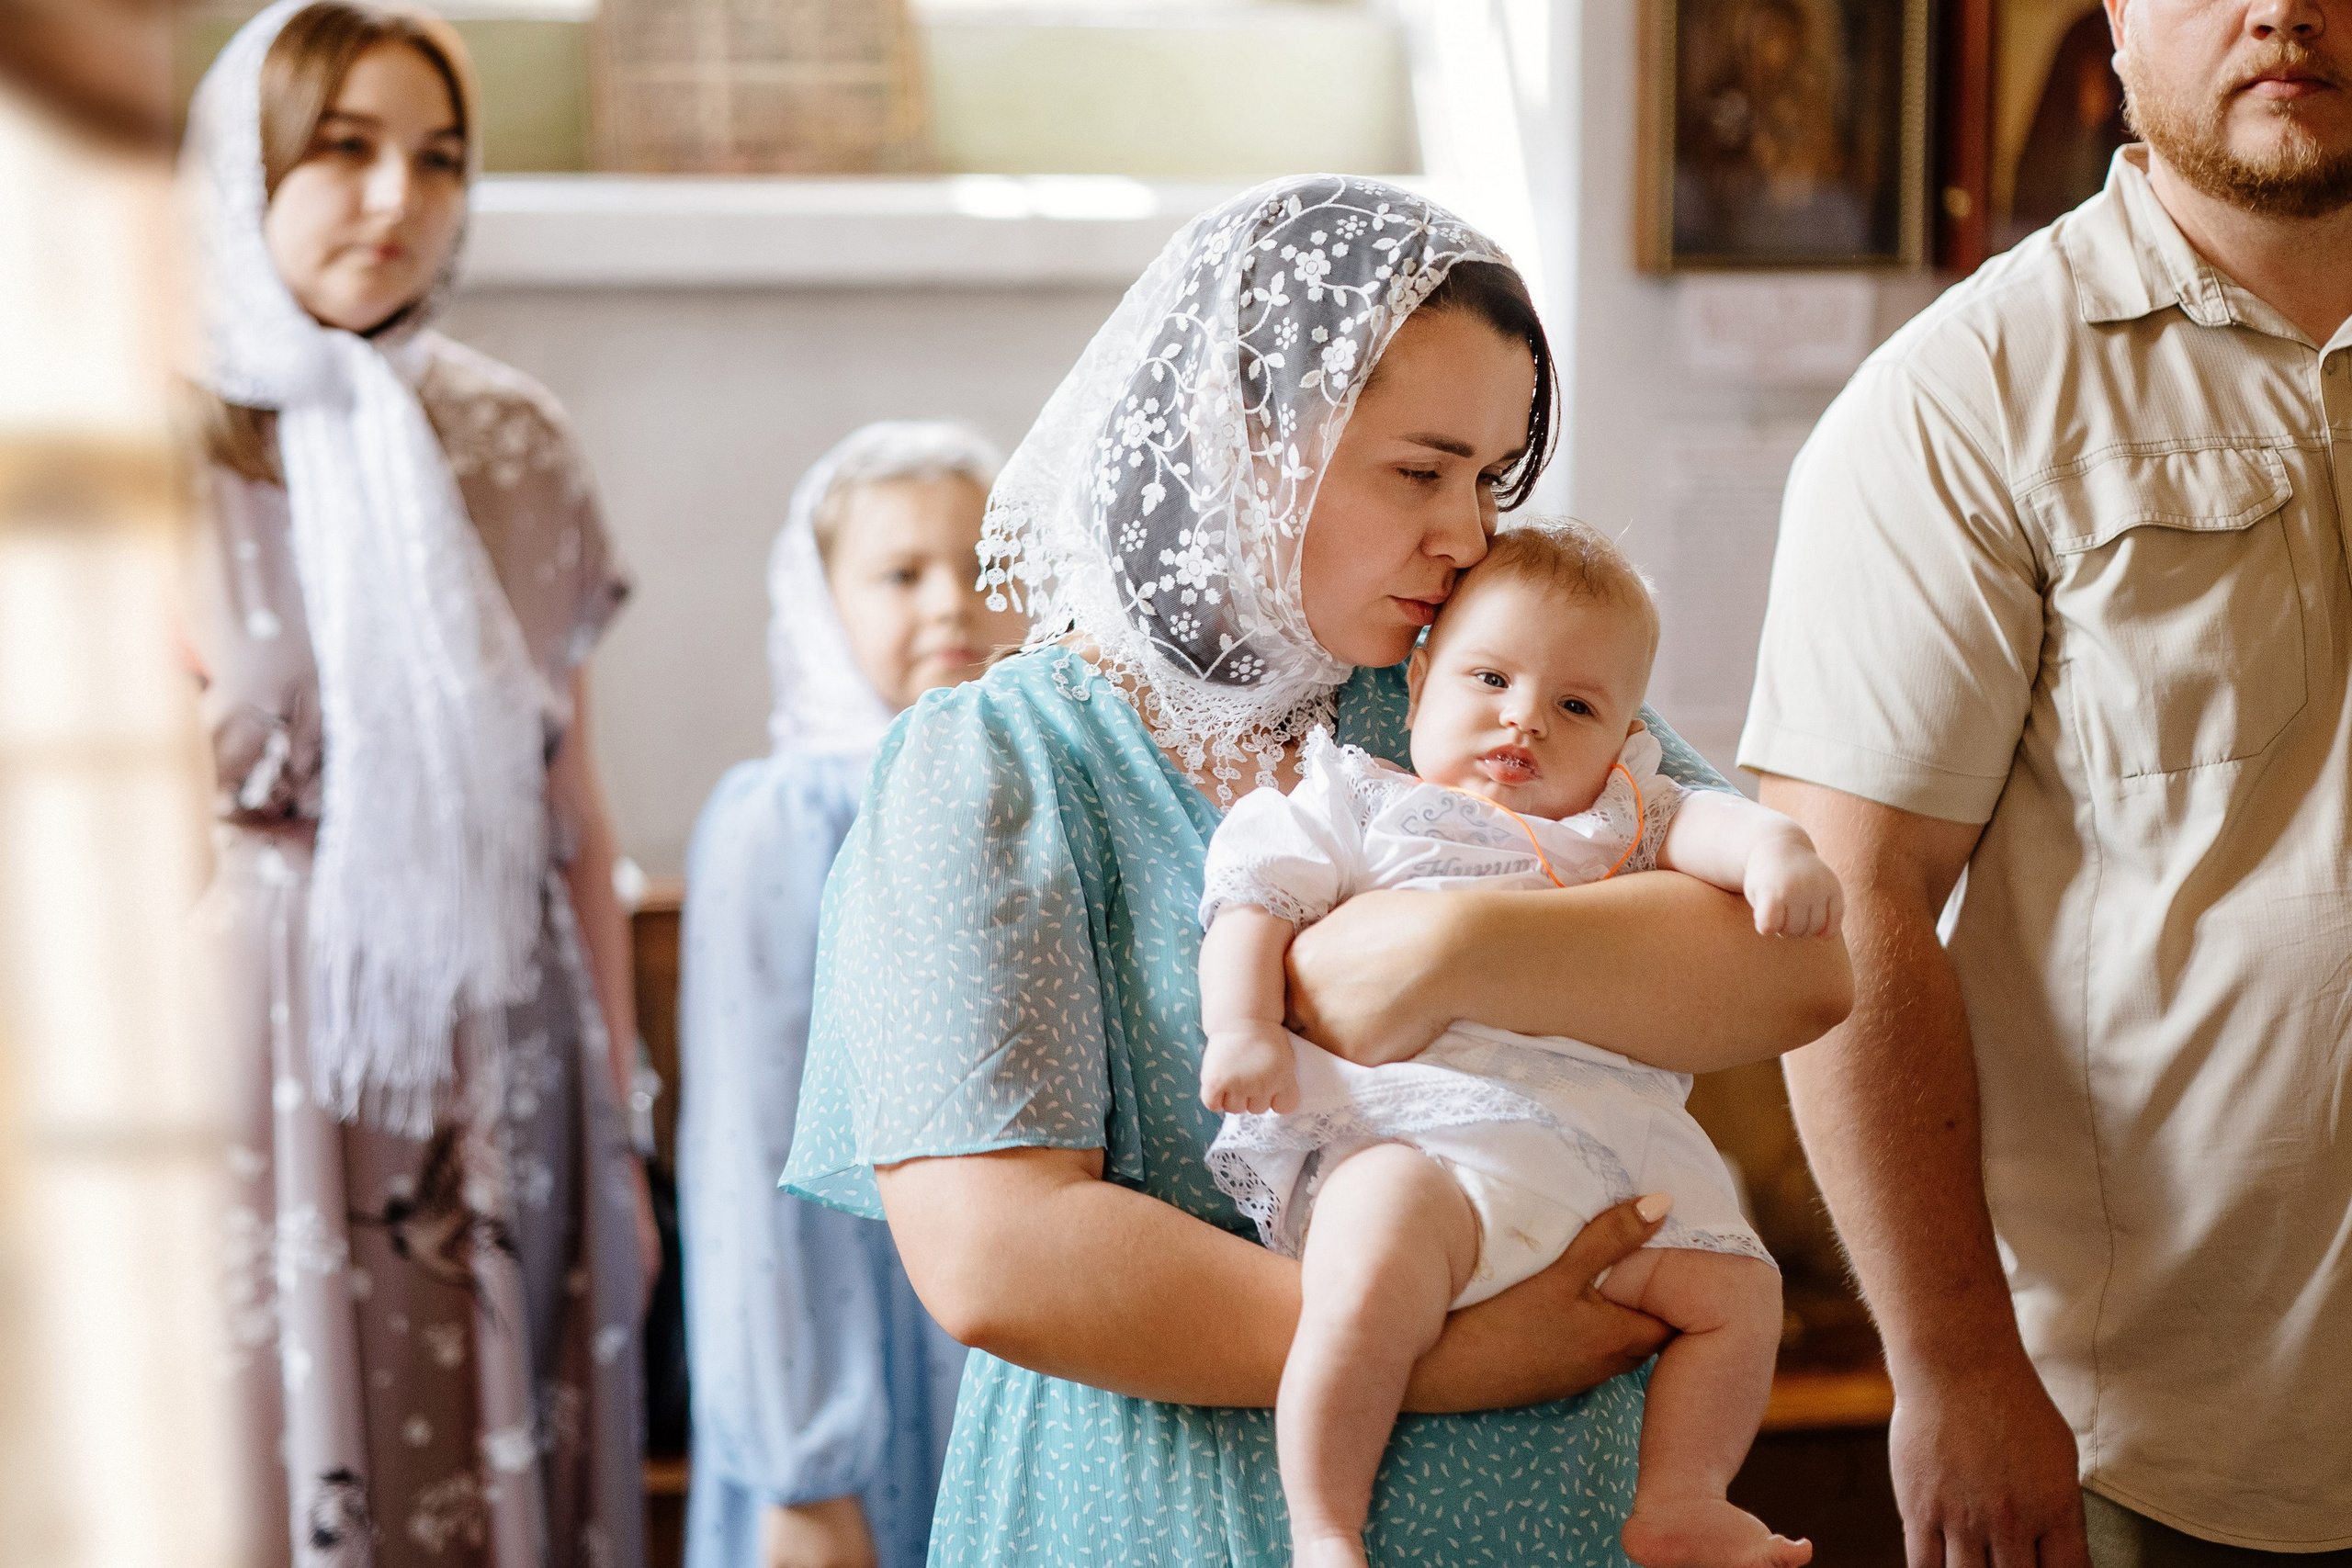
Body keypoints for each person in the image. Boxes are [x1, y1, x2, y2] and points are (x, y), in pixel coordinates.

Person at [782, 174, 1853, 1567]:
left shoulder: (1455, 694)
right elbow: (996, 1254)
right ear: (1239, 443)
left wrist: (1456, 951)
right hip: (1167, 1512)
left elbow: (1799, 961)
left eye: (1489, 478)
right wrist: (1446, 1346)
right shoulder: (999, 762)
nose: (1467, 534)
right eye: (1420, 470)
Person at [1739, 2, 2352, 1566]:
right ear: (2119, 17)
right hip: (2164, 1439)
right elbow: (1843, 910)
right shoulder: (1960, 401)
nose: (2285, 7)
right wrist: (1953, 1367)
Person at [180, 5, 653, 1562]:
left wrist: (628, 1129)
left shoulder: (518, 444)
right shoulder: (144, 446)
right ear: (247, 167)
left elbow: (575, 816)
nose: (399, 199)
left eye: (438, 159)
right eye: (345, 148)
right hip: (258, 1051)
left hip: (513, 1047)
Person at [1194, 523, 1836, 1568]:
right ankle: (1323, 1525)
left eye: (1575, 707)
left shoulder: (1618, 816)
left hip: (1599, 1162)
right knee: (1360, 1282)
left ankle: (1680, 1498)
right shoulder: (1361, 803)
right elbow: (1250, 902)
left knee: (1736, 1294)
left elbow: (1712, 822)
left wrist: (1780, 851)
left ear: (1627, 735)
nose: (1524, 719)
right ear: (1417, 688)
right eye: (1489, 678)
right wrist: (1243, 1026)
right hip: (1416, 1145)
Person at [677, 422, 1023, 1568]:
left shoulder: (1034, 790)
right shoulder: (786, 817)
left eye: (982, 567)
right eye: (899, 574)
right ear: (821, 602)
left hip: (1004, 1337)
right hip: (845, 1352)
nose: (950, 604)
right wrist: (800, 1459)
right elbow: (753, 1148)